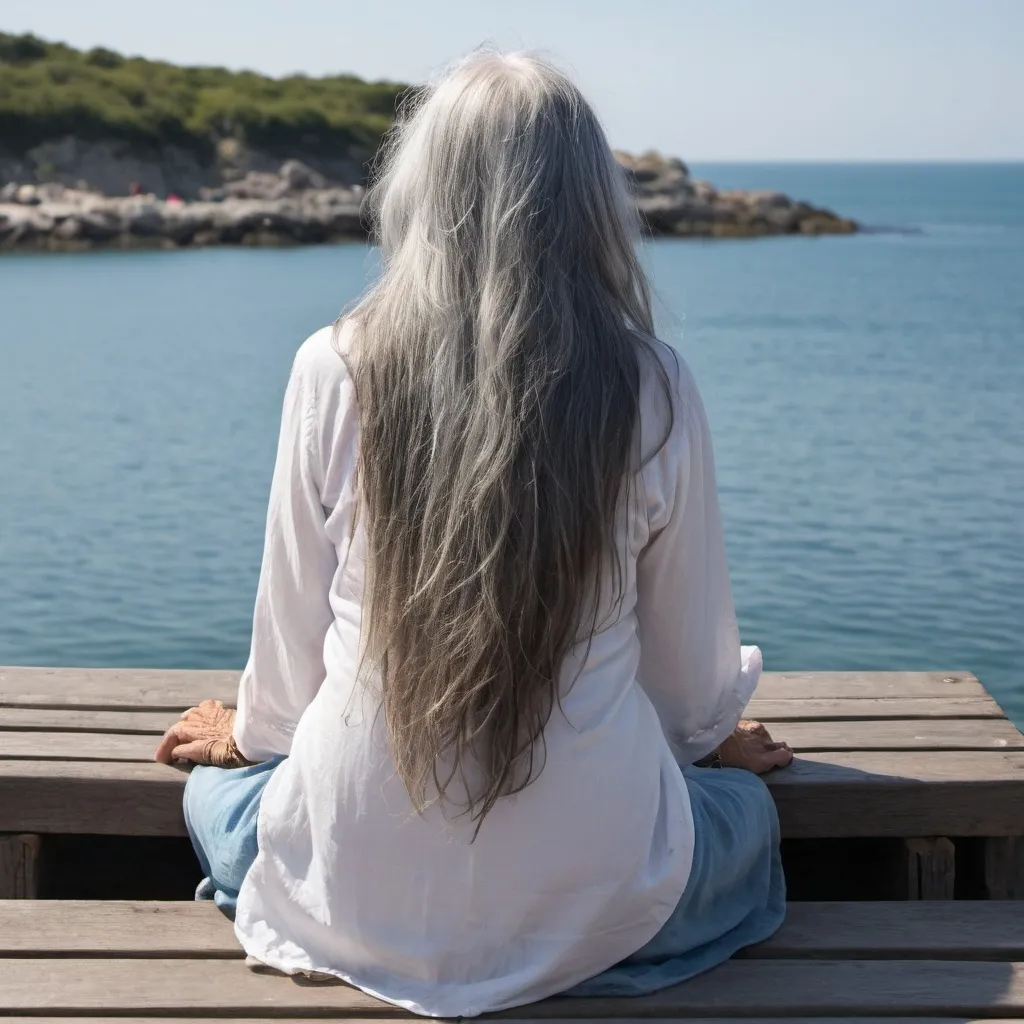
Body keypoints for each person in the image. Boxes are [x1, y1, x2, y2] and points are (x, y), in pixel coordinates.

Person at [155, 50, 792, 1019]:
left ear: (418, 191)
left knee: (217, 805)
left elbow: (285, 671)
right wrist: (714, 738)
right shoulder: (653, 385)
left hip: (358, 879)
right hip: (599, 882)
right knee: (742, 817)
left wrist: (245, 736)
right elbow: (681, 686)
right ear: (592, 205)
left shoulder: (332, 367)